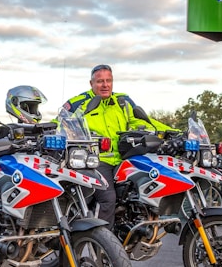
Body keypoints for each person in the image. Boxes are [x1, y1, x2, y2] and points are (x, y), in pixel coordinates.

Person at [61, 64, 175, 228]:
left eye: (109, 80)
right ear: (91, 83)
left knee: (146, 185)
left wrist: (175, 132)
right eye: (100, 81)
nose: (105, 85)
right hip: (96, 161)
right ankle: (102, 245)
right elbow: (61, 125)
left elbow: (145, 122)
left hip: (124, 159)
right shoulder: (78, 104)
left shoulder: (122, 102)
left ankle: (134, 228)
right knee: (108, 198)